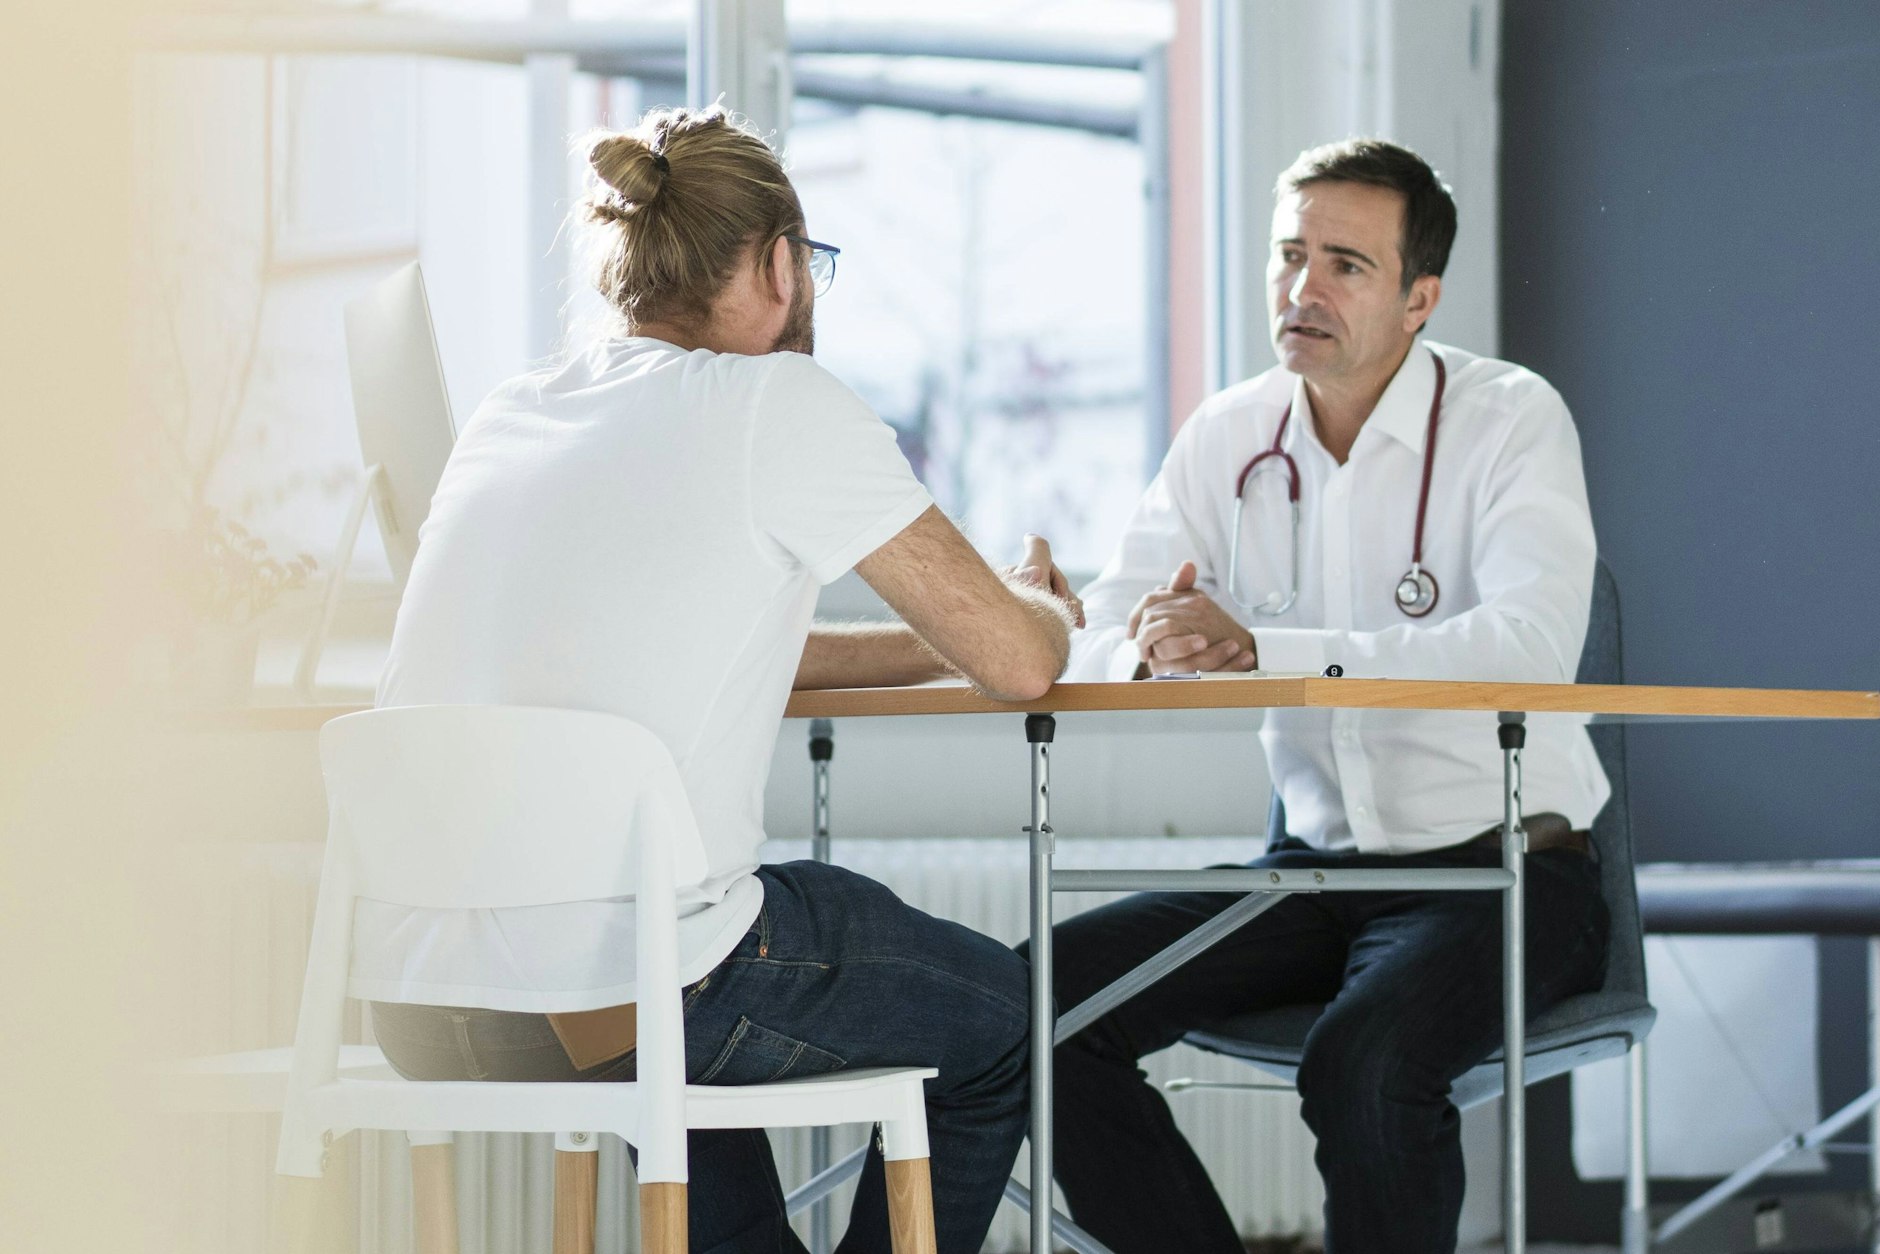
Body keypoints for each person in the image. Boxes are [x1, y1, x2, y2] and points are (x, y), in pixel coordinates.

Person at [353, 105, 1081, 1254]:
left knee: (690, 974)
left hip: (429, 1002)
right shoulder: (774, 404)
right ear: (780, 263)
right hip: (637, 990)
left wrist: (913, 644)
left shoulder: (517, 410)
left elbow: (711, 646)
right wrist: (1037, 601)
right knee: (997, 1016)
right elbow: (1023, 660)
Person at [1035, 139, 1613, 1254]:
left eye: (1344, 263)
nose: (1302, 290)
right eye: (1287, 255)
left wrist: (1264, 646)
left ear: (1417, 299)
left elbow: (1530, 645)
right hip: (1307, 878)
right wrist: (1104, 637)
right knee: (1035, 1008)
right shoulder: (1229, 432)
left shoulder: (1507, 419)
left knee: (1360, 1063)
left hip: (1499, 874)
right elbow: (1111, 628)